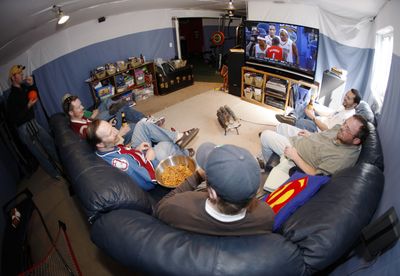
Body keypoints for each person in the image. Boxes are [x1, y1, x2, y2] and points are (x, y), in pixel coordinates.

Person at [154, 142, 275, 236]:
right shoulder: (266, 216)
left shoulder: (179, 206)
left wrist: (197, 176)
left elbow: (160, 207)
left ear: (212, 193)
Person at [86, 119, 198, 191]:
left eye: (112, 128)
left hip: (136, 154)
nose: (116, 132)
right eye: (110, 133)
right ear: (100, 143)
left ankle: (178, 137)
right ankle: (184, 153)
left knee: (142, 125)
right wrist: (149, 158)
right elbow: (147, 182)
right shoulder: (123, 164)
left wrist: (138, 150)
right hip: (149, 166)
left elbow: (122, 151)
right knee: (165, 146)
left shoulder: (105, 149)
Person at [260, 115, 369, 177]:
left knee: (265, 136)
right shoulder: (343, 133)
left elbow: (315, 174)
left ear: (356, 140)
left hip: (296, 152)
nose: (342, 127)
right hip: (306, 139)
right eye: (345, 122)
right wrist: (311, 135)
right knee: (281, 127)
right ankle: (264, 155)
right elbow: (326, 135)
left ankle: (265, 166)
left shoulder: (342, 159)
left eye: (348, 129)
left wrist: (295, 157)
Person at [6, 65, 62, 179]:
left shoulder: (24, 88)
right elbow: (14, 119)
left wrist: (32, 85)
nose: (22, 75)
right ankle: (54, 173)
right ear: (13, 78)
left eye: (22, 73)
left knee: (49, 142)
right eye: (19, 73)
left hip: (32, 122)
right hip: (24, 128)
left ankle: (63, 164)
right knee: (40, 153)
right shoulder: (11, 97)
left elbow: (33, 95)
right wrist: (27, 106)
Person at [62, 94, 164, 143]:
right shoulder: (82, 129)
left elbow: (92, 119)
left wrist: (94, 115)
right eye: (79, 107)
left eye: (81, 105)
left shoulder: (79, 116)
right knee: (133, 126)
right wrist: (117, 131)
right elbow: (102, 143)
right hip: (111, 133)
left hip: (103, 124)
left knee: (107, 102)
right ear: (71, 112)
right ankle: (146, 122)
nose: (83, 108)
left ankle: (113, 108)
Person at [276, 89, 361, 135]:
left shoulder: (348, 118)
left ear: (354, 104)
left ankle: (293, 121)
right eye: (346, 95)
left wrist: (313, 117)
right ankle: (292, 116)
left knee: (302, 121)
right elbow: (330, 114)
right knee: (307, 104)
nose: (345, 98)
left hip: (318, 128)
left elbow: (327, 130)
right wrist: (314, 109)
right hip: (321, 120)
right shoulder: (344, 106)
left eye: (348, 98)